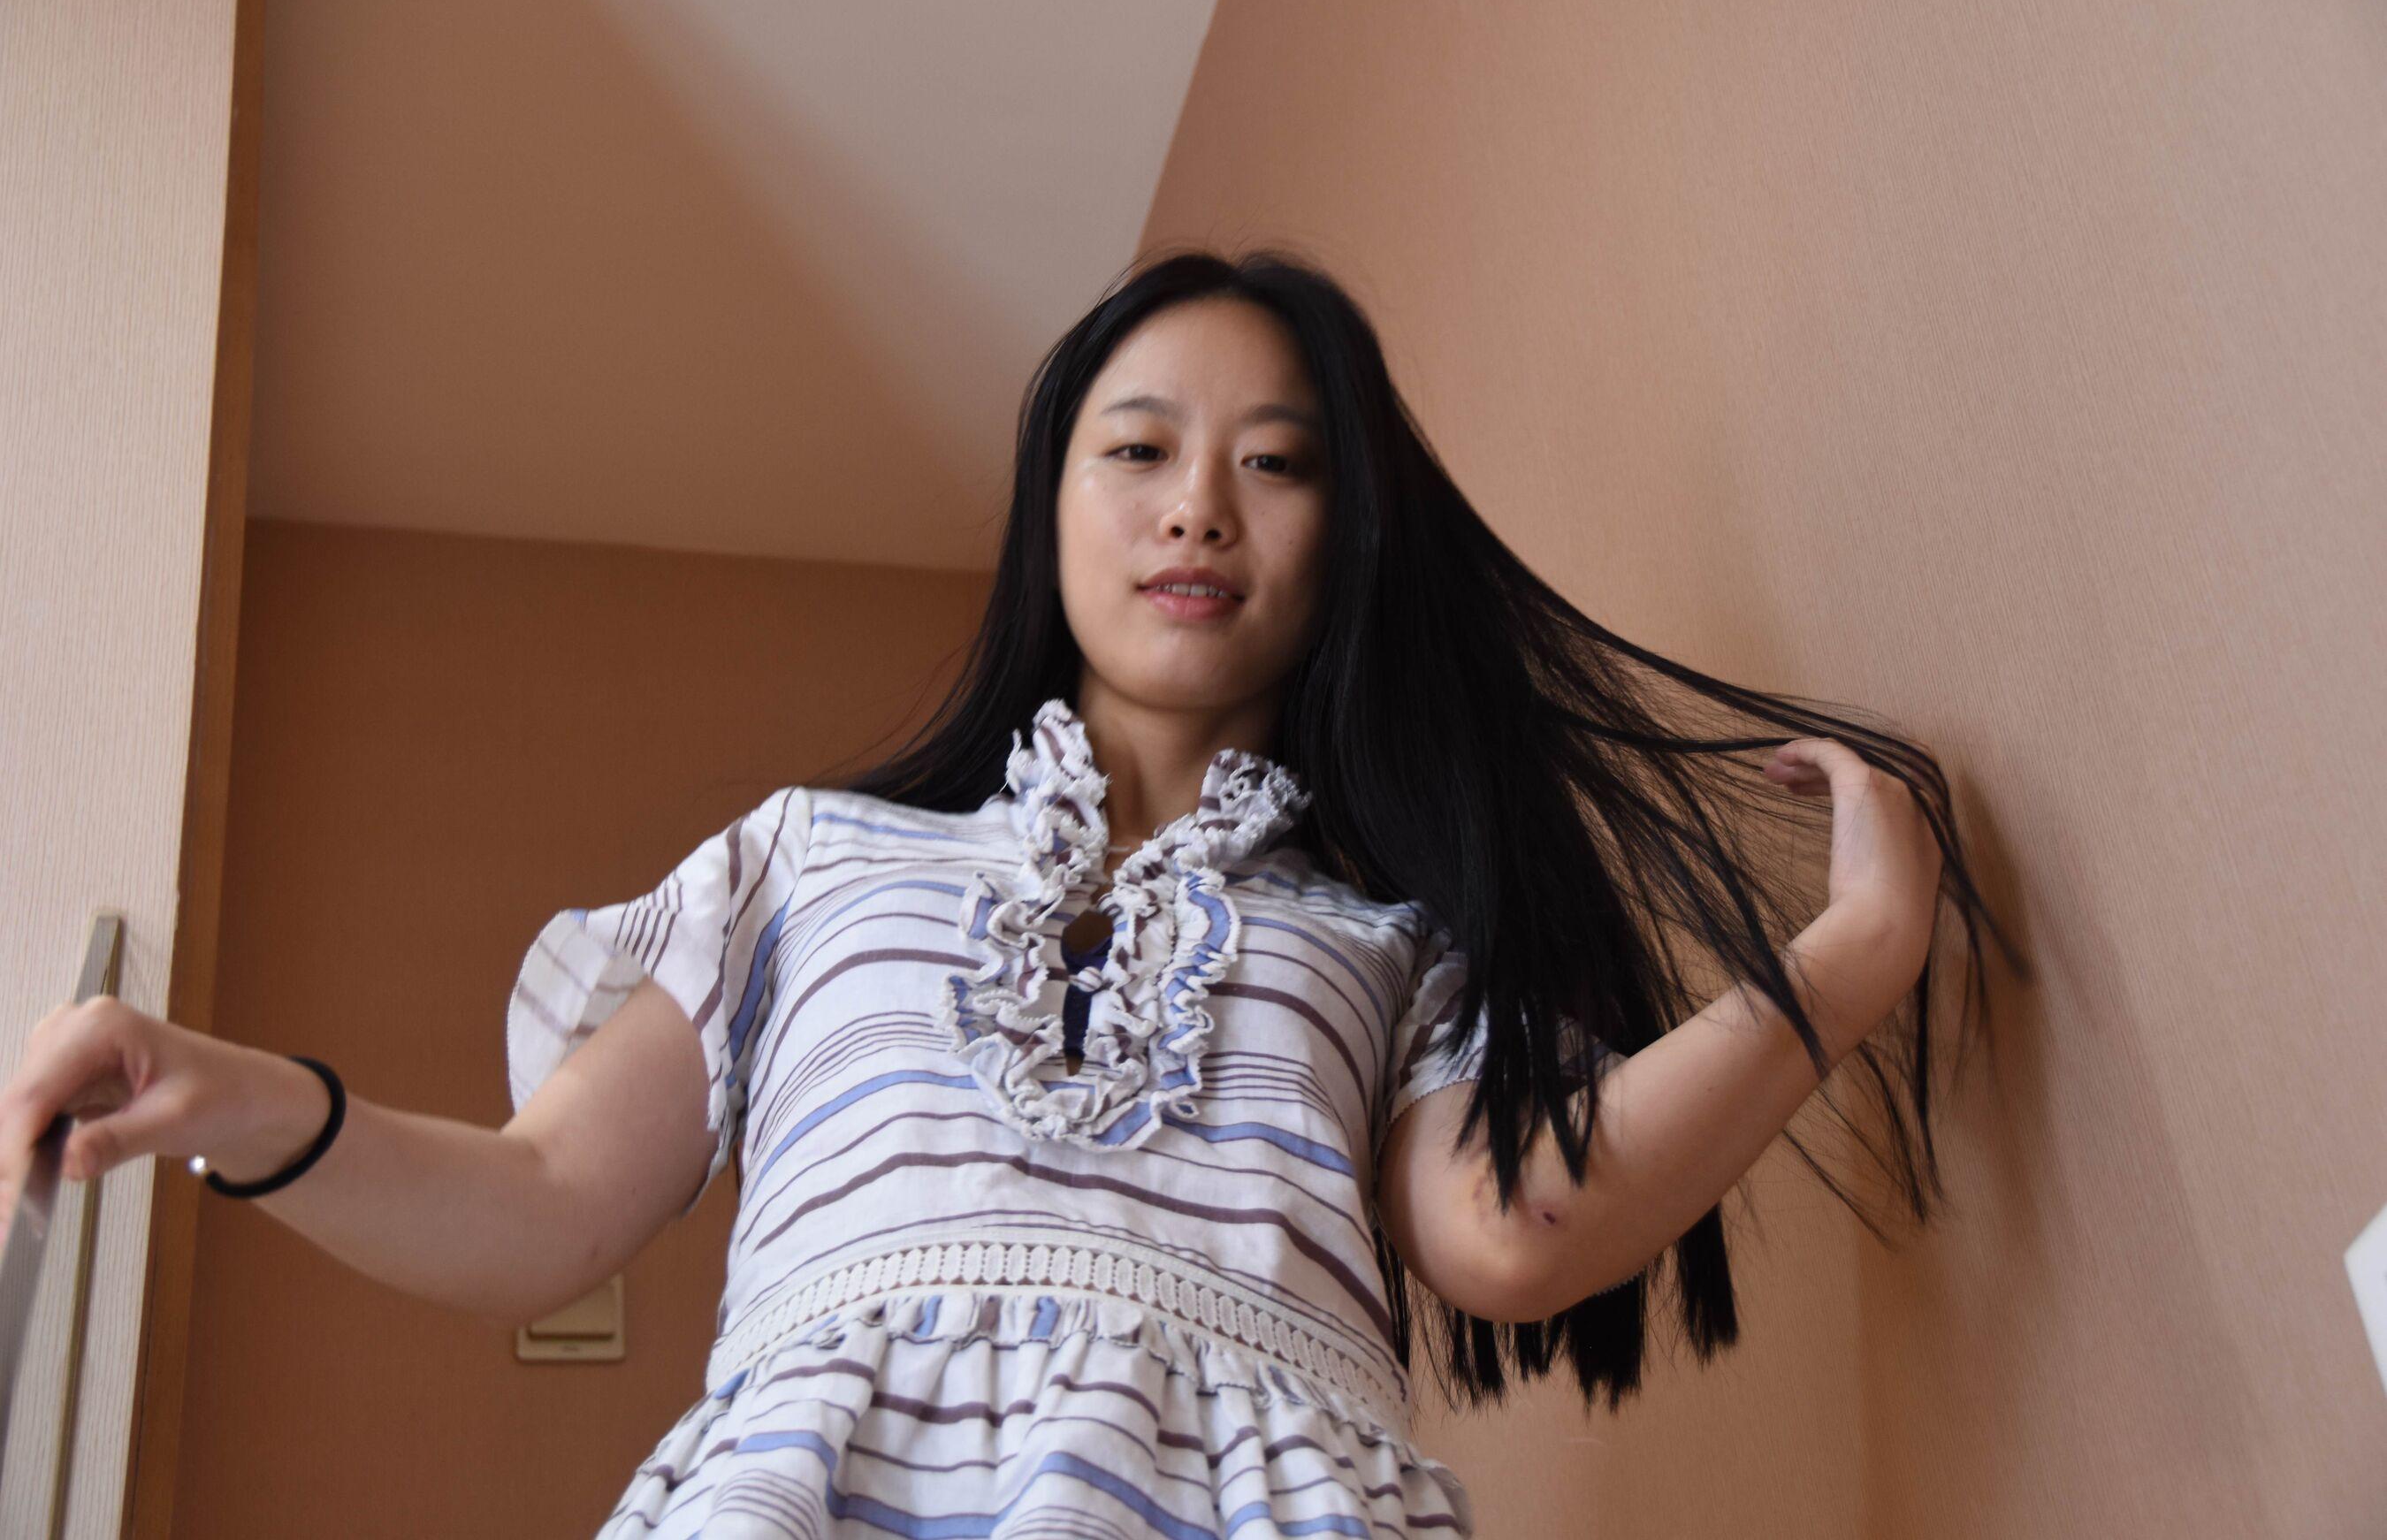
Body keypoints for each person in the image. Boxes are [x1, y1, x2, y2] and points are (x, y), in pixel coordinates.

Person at [0, 248, 2011, 1536]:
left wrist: (1851, 958)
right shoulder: (806, 862)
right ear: (1051, 507)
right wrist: (226, 1098)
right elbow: (539, 1209)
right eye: (1138, 448)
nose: (1198, 503)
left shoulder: (1395, 939)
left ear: (1351, 541)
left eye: (1278, 463)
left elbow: (1508, 1234)